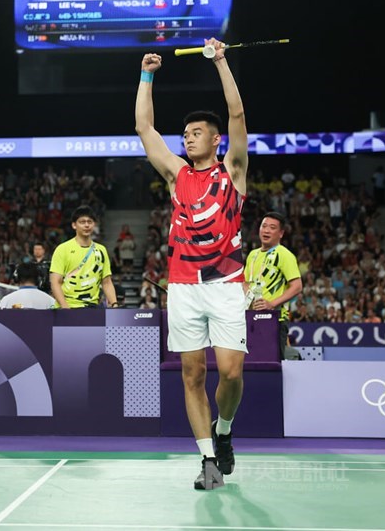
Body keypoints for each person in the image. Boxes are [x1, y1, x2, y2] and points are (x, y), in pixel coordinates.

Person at [134, 38, 248, 490]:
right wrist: (146, 76)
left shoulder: (233, 172)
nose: (188, 138)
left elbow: (237, 116)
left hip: (225, 282)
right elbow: (145, 128)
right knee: (192, 372)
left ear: (215, 140)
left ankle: (223, 431)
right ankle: (206, 460)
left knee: (232, 372)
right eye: (185, 134)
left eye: (196, 133)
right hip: (182, 284)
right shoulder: (177, 174)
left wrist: (220, 61)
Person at [244, 212, 303, 359]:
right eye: (264, 226)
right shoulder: (253, 254)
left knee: (272, 365)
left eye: (272, 227)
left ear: (281, 233)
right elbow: (245, 282)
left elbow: (297, 286)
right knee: (251, 363)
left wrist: (272, 303)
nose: (266, 231)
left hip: (274, 319)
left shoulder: (284, 255)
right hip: (250, 318)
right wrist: (248, 297)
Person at [49, 205, 118, 309]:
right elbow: (55, 282)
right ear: (74, 225)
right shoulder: (62, 249)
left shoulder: (101, 250)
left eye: (90, 222)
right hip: (68, 308)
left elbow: (107, 282)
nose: (87, 225)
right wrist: (65, 307)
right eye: (82, 222)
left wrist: (114, 304)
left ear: (94, 224)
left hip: (92, 308)